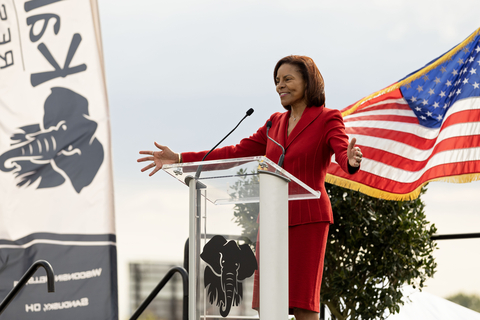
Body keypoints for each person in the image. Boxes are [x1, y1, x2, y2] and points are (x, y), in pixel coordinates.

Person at [137, 55, 362, 320]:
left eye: (288, 79)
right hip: (271, 220)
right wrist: (179, 159)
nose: (280, 86)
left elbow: (342, 153)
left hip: (308, 218)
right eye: (277, 81)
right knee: (267, 302)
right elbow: (234, 153)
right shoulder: (273, 124)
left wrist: (351, 160)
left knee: (303, 304)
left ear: (308, 81)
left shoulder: (327, 118)